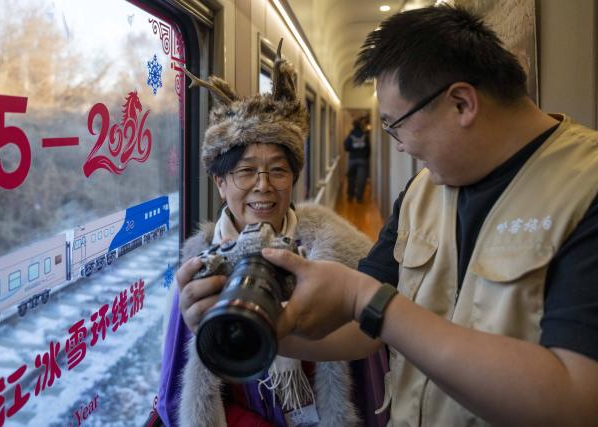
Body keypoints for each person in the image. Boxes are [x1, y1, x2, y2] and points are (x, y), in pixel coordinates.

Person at [256, 5, 598, 426]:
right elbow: (363, 327)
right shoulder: (422, 192)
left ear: (461, 103)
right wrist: (261, 331)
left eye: (395, 125)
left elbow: (577, 397)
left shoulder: (587, 188)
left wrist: (369, 300)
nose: (398, 146)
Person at [156, 41, 388, 427]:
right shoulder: (201, 268)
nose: (263, 186)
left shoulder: (335, 254)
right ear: (219, 183)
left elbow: (370, 380)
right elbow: (178, 392)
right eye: (246, 172)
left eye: (278, 171)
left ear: (293, 178)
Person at [344, 117, 371, 202]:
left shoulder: (351, 135)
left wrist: (352, 151)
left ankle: (350, 196)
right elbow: (368, 148)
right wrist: (365, 157)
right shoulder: (364, 135)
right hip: (363, 160)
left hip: (352, 159)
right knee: (361, 179)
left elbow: (346, 146)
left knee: (351, 178)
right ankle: (359, 197)